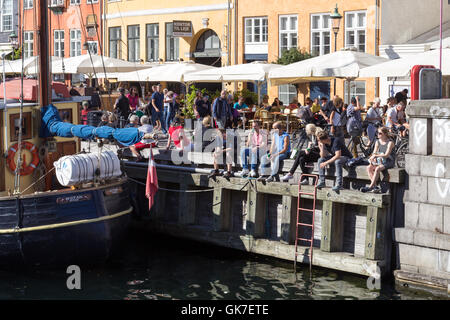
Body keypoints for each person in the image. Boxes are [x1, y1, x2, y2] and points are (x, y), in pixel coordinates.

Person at [361, 127, 395, 193]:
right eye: (377, 133)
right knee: (369, 167)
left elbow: (386, 155)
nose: (378, 135)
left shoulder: (390, 142)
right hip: (380, 160)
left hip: (389, 161)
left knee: (377, 169)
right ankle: (375, 186)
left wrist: (376, 156)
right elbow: (374, 152)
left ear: (385, 134)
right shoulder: (377, 142)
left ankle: (370, 186)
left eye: (380, 133)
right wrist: (372, 158)